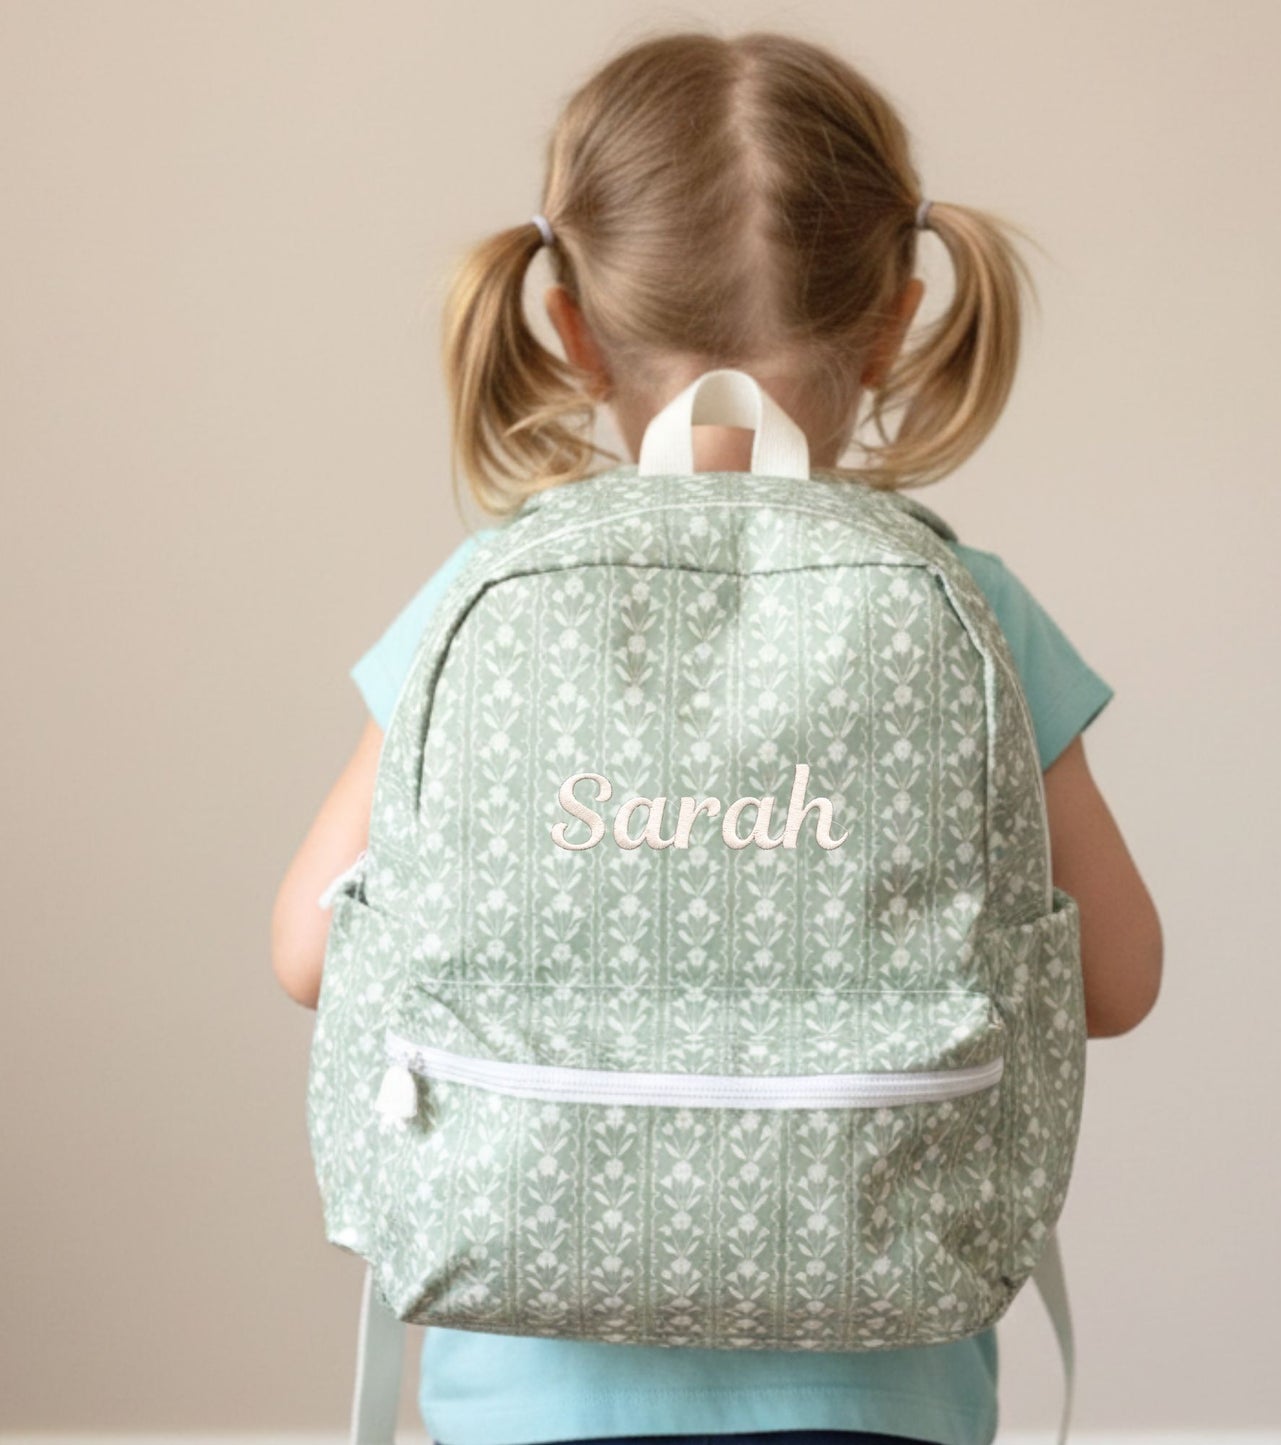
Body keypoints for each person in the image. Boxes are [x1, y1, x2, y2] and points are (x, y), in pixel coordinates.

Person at [272, 27, 1163, 1445]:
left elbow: (308, 948)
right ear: (895, 316)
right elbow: (1114, 975)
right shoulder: (970, 607)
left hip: (523, 1373)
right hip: (887, 1371)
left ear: (564, 325)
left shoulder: (483, 596)